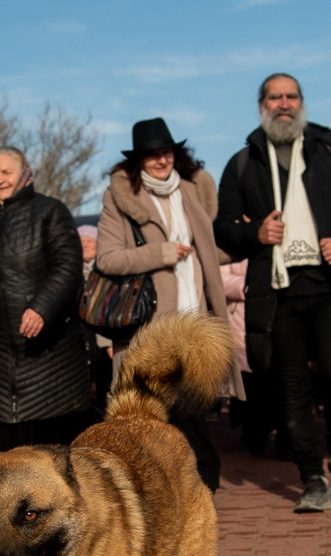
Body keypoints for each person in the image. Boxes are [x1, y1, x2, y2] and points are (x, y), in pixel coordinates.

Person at [214, 73, 331, 513]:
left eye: (291, 96)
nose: (283, 104)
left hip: (329, 286)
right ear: (262, 105)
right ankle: (310, 476)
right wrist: (256, 234)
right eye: (275, 97)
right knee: (291, 389)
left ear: (302, 102)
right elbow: (223, 227)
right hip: (277, 292)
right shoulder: (243, 162)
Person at [93, 117, 238, 487]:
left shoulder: (190, 191)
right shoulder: (120, 199)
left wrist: (250, 239)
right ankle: (179, 486)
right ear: (138, 161)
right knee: (151, 413)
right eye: (152, 155)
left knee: (192, 407)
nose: (161, 160)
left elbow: (209, 252)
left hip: (197, 321)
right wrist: (163, 252)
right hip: (151, 327)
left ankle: (201, 485)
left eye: (166, 152)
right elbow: (107, 258)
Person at [0, 147, 92, 454]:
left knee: (54, 447)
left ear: (25, 172)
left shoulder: (51, 211)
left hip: (49, 353)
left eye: (6, 172)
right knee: (4, 447)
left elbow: (68, 267)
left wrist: (42, 307)